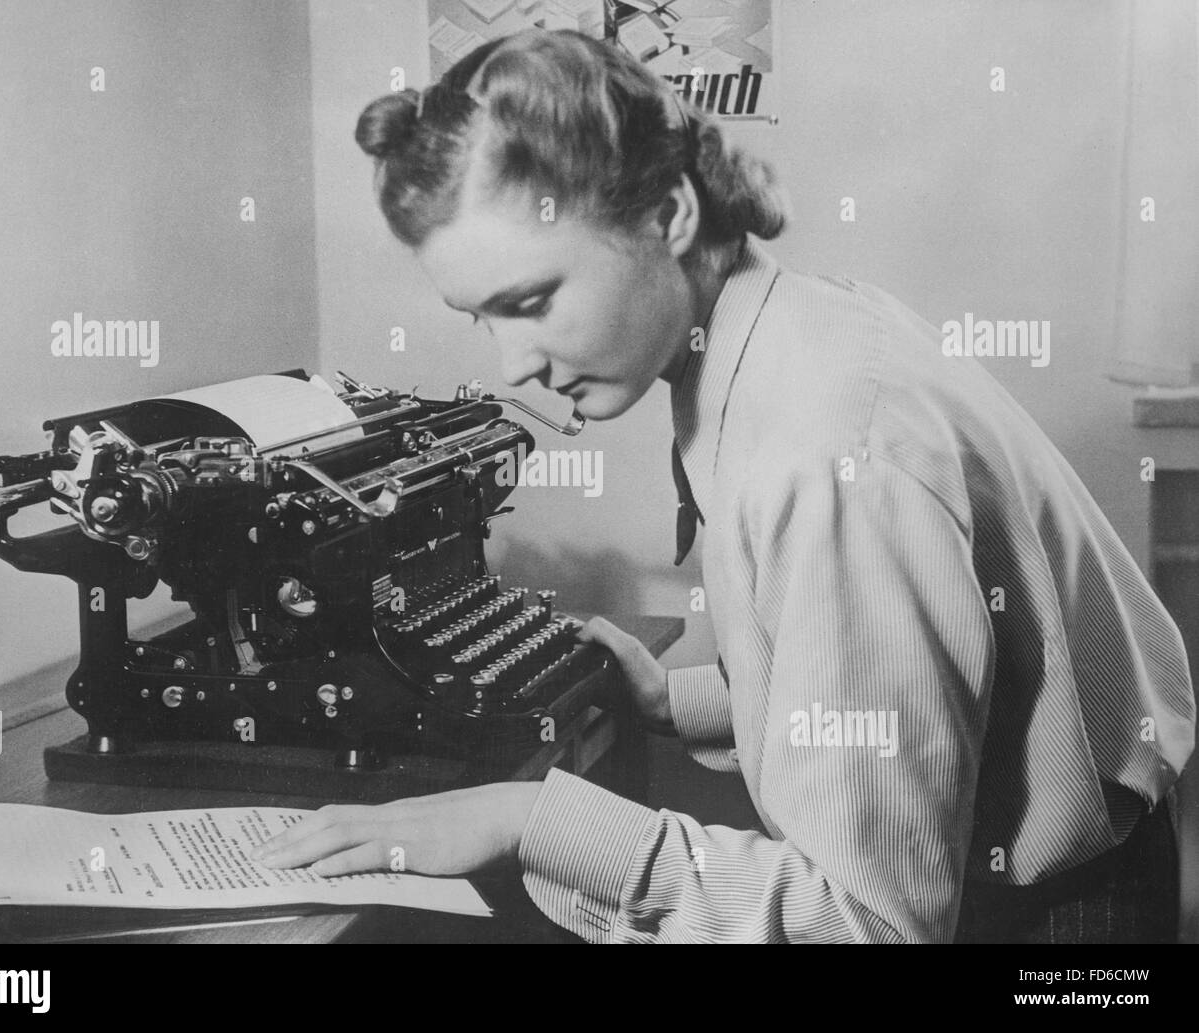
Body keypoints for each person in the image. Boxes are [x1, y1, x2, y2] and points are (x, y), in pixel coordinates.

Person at [252, 29, 1195, 943]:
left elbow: (865, 924)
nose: (514, 364)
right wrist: (675, 699)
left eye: (531, 301)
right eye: (480, 319)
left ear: (668, 216)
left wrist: (532, 817)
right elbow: (876, 679)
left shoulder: (826, 453)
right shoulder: (793, 329)